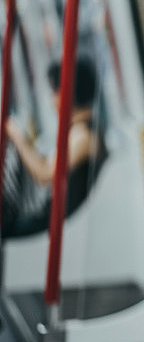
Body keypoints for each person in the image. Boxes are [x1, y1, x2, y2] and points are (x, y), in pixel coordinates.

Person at [2, 58, 106, 237]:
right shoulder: (81, 131)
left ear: (68, 93)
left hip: (53, 222)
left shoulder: (83, 135)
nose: (52, 100)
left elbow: (44, 174)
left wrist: (17, 136)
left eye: (54, 92)